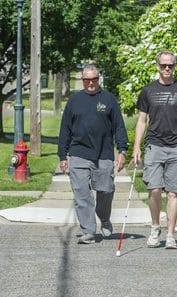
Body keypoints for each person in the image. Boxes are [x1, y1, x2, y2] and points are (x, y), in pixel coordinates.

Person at [58, 64, 128, 244]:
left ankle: (104, 217)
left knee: (106, 190)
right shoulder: (74, 101)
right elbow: (65, 129)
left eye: (94, 79)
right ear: (82, 80)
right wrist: (62, 156)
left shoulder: (109, 99)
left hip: (103, 154)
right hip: (78, 153)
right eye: (87, 80)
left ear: (98, 79)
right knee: (82, 195)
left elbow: (119, 127)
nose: (90, 83)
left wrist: (122, 151)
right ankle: (88, 231)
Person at [133, 50, 177, 249]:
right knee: (154, 190)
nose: (167, 68)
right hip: (154, 145)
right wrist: (137, 147)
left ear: (174, 66)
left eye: (170, 65)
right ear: (157, 66)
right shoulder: (147, 91)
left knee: (173, 192)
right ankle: (155, 228)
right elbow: (142, 120)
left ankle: (170, 235)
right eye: (163, 65)